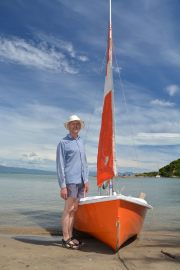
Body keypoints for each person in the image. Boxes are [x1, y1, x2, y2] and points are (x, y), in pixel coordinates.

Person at [56, 115, 89, 249]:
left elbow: (84, 163)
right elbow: (60, 165)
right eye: (73, 124)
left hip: (81, 181)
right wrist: (62, 185)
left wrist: (86, 180)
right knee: (68, 209)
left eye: (78, 124)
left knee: (74, 210)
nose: (76, 126)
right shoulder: (63, 143)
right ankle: (65, 238)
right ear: (68, 126)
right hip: (70, 181)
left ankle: (71, 236)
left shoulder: (81, 141)